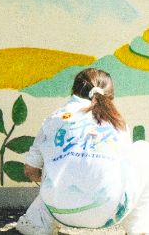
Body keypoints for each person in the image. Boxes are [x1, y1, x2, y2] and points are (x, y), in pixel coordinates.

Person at [17, 68, 149, 235]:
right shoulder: (118, 123)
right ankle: (138, 228)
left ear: (74, 90)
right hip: (109, 214)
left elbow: (30, 171)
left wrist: (60, 175)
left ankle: (39, 224)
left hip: (59, 211)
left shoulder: (54, 119)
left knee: (53, 173)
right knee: (143, 149)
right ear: (110, 95)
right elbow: (126, 173)